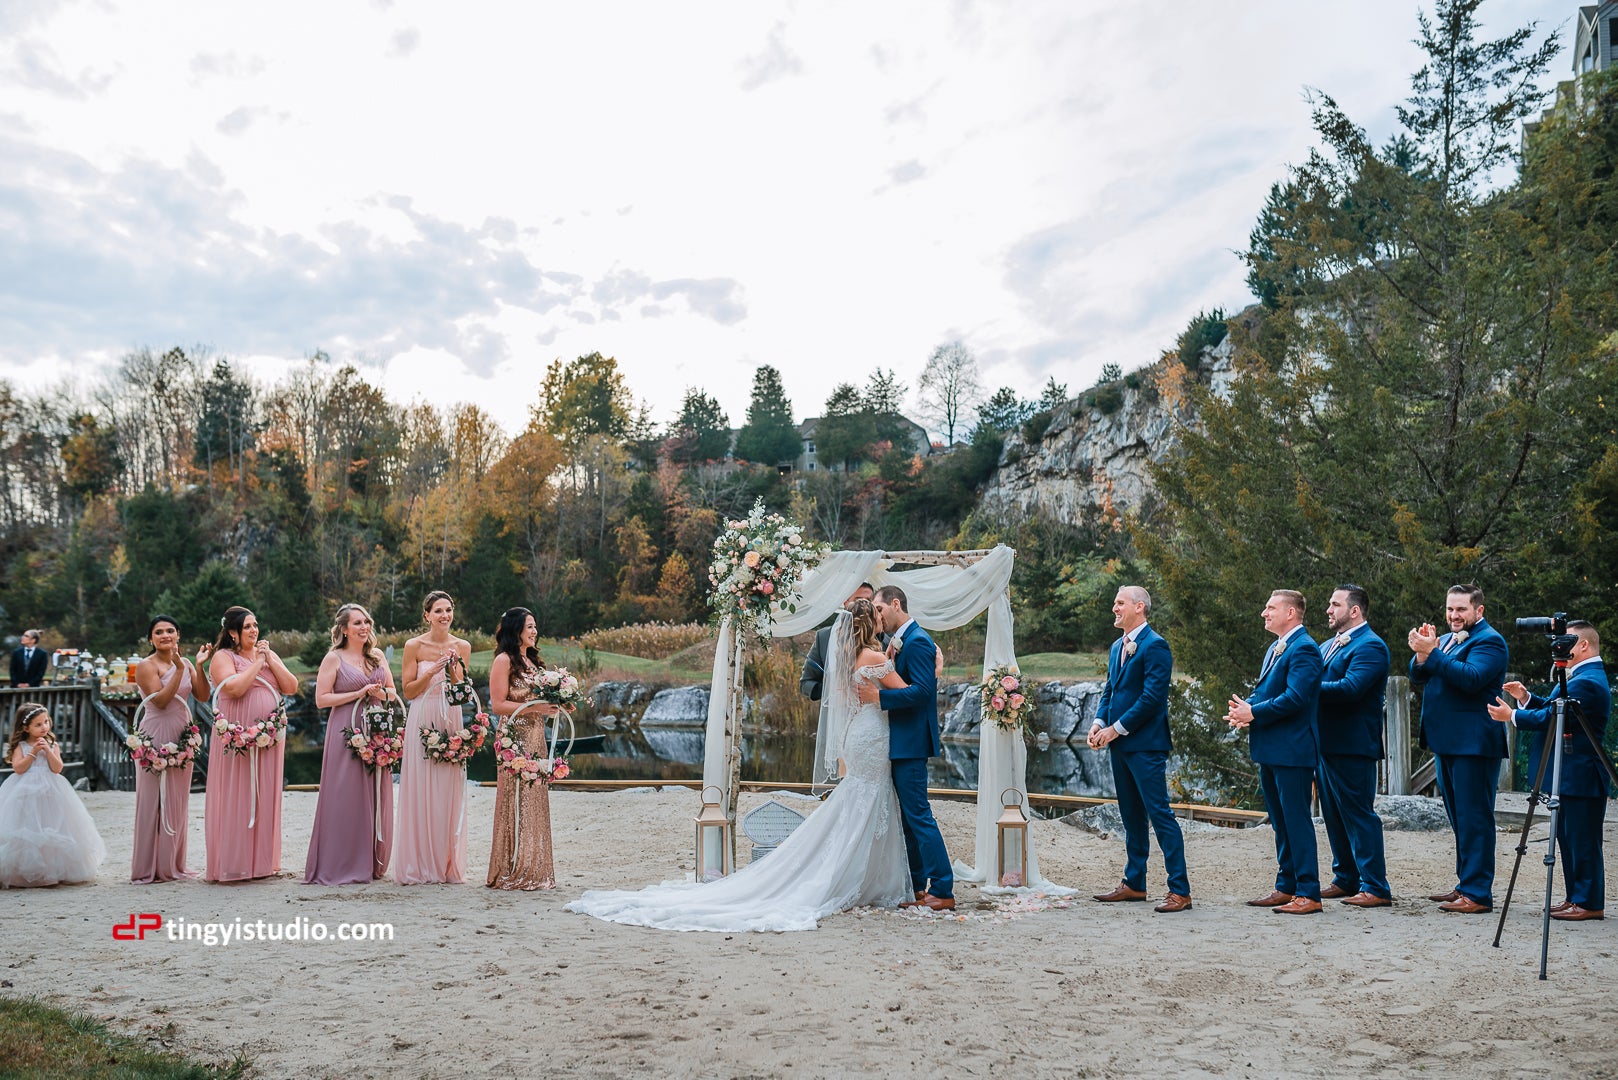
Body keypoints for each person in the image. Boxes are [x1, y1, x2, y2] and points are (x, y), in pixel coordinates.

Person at [567, 598, 912, 930]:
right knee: (869, 797)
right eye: (879, 620)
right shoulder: (874, 657)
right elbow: (906, 691)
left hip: (856, 736)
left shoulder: (846, 658)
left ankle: (858, 874)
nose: (883, 624)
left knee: (857, 800)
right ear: (872, 625)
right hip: (871, 736)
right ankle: (866, 879)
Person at [1488, 620, 1610, 921]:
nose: (1561, 647)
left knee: (1582, 840)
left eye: (1568, 641)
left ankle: (1589, 902)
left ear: (1583, 645)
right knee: (1568, 839)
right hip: (1571, 773)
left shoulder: (1588, 680)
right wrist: (1527, 698)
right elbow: (1558, 708)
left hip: (1581, 773)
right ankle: (1576, 897)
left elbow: (1555, 717)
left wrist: (1513, 715)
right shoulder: (1580, 677)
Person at [1088, 586, 1191, 913]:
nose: (1114, 608)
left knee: (1160, 815)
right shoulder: (1117, 646)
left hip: (1146, 745)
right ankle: (1134, 883)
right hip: (1119, 745)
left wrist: (1114, 730)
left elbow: (1152, 700)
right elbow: (1110, 690)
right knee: (1131, 816)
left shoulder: (1156, 646)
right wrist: (1097, 721)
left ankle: (1180, 890)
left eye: (1120, 603)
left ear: (1139, 607)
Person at [1408, 583, 1508, 913]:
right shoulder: (1448, 640)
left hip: (1474, 744)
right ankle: (1465, 883)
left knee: (1475, 818)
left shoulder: (1490, 641)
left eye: (1461, 609)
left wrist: (1433, 653)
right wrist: (1424, 653)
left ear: (1478, 610)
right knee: (1458, 818)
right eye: (1450, 609)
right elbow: (1419, 675)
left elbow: (1471, 678)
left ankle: (1478, 894)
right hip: (1446, 742)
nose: (1454, 615)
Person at [1227, 589, 1324, 915]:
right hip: (1270, 747)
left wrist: (1254, 713)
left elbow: (1296, 698)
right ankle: (1286, 886)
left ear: (1292, 613)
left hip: (1293, 749)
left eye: (1271, 608)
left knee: (1297, 820)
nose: (1264, 613)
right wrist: (1244, 709)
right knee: (1280, 822)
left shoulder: (1306, 649)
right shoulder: (1275, 647)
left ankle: (1309, 893)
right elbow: (1267, 690)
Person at [860, 584, 954, 910]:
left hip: (912, 742)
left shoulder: (918, 641)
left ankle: (942, 889)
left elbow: (923, 693)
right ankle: (917, 888)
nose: (878, 616)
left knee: (920, 817)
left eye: (880, 609)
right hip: (901, 741)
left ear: (895, 604)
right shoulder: (900, 643)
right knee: (909, 821)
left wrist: (879, 698)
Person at [304, 604, 399, 886]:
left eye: (366, 622)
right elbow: (321, 699)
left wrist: (383, 692)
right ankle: (341, 861)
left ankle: (371, 861)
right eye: (357, 623)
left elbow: (393, 693)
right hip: (345, 729)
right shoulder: (333, 658)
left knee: (374, 793)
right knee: (345, 794)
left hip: (377, 729)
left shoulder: (377, 656)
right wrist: (357, 693)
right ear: (344, 629)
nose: (364, 627)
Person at [206, 606, 299, 882]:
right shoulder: (223, 657)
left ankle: (262, 863)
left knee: (265, 792)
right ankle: (235, 863)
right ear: (233, 632)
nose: (254, 630)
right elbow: (233, 688)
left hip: (268, 737)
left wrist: (270, 658)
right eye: (247, 626)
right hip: (237, 734)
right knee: (237, 791)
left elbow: (291, 686)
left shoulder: (267, 655)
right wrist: (258, 664)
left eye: (255, 625)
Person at [1315, 585, 1393, 908]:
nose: (1329, 610)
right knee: (1332, 815)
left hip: (1354, 745)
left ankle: (1375, 886)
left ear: (1355, 610)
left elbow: (1351, 688)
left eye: (1335, 605)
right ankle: (1345, 877)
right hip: (1325, 743)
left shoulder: (1372, 646)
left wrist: (1307, 687)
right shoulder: (1325, 646)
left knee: (1360, 814)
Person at [394, 590, 473, 885]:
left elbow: (461, 693)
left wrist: (453, 669)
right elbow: (409, 691)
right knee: (420, 785)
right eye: (438, 611)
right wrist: (434, 671)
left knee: (447, 787)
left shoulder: (462, 646)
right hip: (422, 713)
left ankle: (444, 863)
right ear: (426, 615)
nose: (445, 616)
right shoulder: (413, 645)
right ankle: (419, 862)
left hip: (450, 717)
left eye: (448, 610)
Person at [487, 606, 563, 891]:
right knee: (514, 799)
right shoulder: (503, 660)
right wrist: (536, 708)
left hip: (536, 737)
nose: (534, 631)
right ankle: (508, 868)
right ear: (516, 629)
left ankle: (533, 866)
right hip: (513, 737)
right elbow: (497, 705)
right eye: (529, 626)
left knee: (534, 798)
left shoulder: (533, 662)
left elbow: (541, 701)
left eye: (535, 626)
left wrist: (556, 705)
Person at [131, 615, 212, 884]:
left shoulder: (187, 662)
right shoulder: (146, 665)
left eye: (170, 631)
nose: (165, 635)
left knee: (177, 799)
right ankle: (148, 866)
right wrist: (178, 670)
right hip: (155, 731)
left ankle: (172, 863)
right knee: (152, 798)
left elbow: (202, 696)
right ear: (151, 638)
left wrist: (197, 667)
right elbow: (162, 702)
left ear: (178, 634)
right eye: (159, 632)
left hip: (182, 732)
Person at [0, 702, 106, 887]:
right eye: (38, 724)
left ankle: (54, 870)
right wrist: (33, 752)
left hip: (52, 790)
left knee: (54, 824)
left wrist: (48, 750)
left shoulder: (52, 743)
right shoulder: (21, 746)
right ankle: (23, 872)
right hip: (24, 791)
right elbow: (18, 768)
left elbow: (57, 768)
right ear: (25, 728)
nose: (44, 727)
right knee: (28, 828)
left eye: (46, 722)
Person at [799, 583, 874, 701]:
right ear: (846, 603)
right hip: (837, 714)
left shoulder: (884, 636)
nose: (864, 607)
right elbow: (805, 684)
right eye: (858, 601)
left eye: (869, 601)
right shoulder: (825, 637)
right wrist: (831, 687)